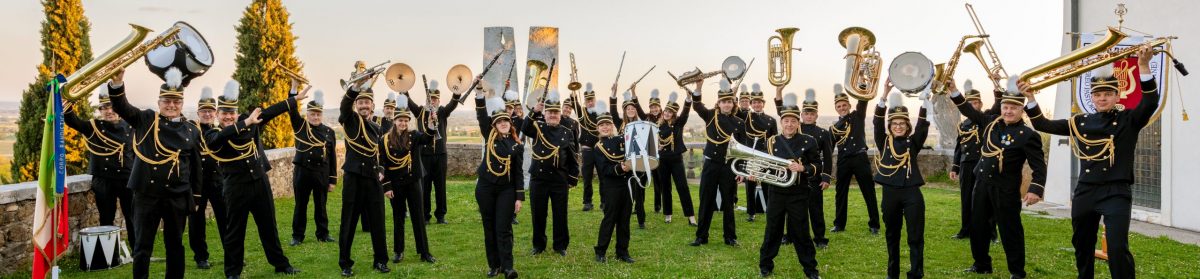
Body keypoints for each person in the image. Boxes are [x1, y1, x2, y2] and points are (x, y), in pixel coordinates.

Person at [1022, 47, 1157, 279]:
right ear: (1091, 97)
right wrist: (1031, 98)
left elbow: (1150, 102)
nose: (1102, 98)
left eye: (1107, 94)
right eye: (1097, 94)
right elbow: (1043, 124)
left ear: (1117, 96)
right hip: (1086, 190)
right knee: (1082, 245)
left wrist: (1143, 66)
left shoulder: (1128, 119)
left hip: (1116, 191)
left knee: (1117, 247)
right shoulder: (1080, 122)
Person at [107, 68, 205, 279]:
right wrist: (117, 85)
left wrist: (195, 197)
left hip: (177, 196)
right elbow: (122, 107)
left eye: (176, 101)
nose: (171, 105)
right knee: (142, 246)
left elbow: (197, 167)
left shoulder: (191, 130)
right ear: (159, 102)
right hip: (147, 195)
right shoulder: (146, 120)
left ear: (182, 103)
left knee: (175, 245)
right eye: (167, 101)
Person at [948, 78, 1047, 279]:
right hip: (982, 184)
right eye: (1005, 106)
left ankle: (1017, 272)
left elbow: (1039, 165)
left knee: (1010, 230)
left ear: (1022, 110)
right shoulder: (990, 123)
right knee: (978, 226)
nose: (1008, 111)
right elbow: (970, 111)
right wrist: (954, 90)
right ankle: (982, 264)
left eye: (1014, 107)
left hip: (1006, 189)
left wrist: (1035, 189)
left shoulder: (1027, 135)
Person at [205, 80, 303, 278]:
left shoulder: (248, 121)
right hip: (235, 186)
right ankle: (233, 272)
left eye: (231, 113)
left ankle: (280, 264)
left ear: (236, 112)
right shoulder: (212, 133)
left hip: (259, 182)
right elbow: (217, 140)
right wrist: (245, 122)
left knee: (269, 227)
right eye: (224, 113)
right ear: (217, 115)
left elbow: (269, 112)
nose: (228, 116)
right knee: (235, 231)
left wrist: (293, 99)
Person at [755, 93, 823, 279]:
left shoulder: (809, 141)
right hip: (776, 192)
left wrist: (803, 167)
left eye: (793, 121)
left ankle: (810, 269)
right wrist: (756, 174)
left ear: (798, 121)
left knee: (801, 232)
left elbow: (818, 166)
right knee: (772, 230)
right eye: (786, 121)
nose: (789, 124)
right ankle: (765, 265)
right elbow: (765, 165)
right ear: (782, 122)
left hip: (798, 193)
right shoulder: (771, 141)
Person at [62, 88, 137, 252]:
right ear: (100, 110)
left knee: (132, 217)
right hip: (103, 179)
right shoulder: (93, 126)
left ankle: (138, 251)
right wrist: (67, 103)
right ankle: (108, 253)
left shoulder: (132, 127)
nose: (109, 111)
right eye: (104, 108)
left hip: (127, 178)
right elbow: (73, 121)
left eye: (111, 106)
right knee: (106, 218)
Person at [873, 85, 931, 279]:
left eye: (902, 123)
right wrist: (883, 96)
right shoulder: (883, 141)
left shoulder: (912, 143)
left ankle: (916, 273)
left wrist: (925, 101)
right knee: (892, 235)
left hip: (912, 193)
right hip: (890, 193)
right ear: (890, 126)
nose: (898, 126)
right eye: (894, 123)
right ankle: (893, 274)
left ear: (907, 126)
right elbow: (876, 122)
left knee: (915, 236)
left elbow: (923, 126)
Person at [338, 83, 391, 276]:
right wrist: (354, 88)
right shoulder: (350, 120)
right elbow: (344, 106)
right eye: (360, 102)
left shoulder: (377, 128)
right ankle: (345, 263)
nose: (363, 106)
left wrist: (381, 169)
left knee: (378, 222)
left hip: (372, 179)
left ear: (372, 105)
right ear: (356, 104)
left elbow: (381, 153)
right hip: (353, 178)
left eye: (367, 102)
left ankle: (380, 261)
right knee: (349, 221)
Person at [380, 94, 437, 264]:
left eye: (406, 120)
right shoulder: (384, 140)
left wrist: (431, 126)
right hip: (395, 184)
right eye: (400, 120)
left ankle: (424, 252)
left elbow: (427, 138)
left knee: (418, 217)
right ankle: (398, 251)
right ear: (394, 121)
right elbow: (382, 163)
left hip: (413, 181)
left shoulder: (414, 135)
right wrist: (387, 186)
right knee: (398, 217)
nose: (403, 123)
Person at [689, 79, 745, 247]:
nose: (726, 104)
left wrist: (740, 170)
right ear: (719, 103)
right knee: (706, 200)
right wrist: (698, 87)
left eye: (729, 101)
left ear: (733, 103)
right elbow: (697, 105)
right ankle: (701, 237)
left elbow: (742, 149)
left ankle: (730, 237)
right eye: (723, 101)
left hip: (729, 166)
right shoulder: (710, 115)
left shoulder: (739, 123)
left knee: (729, 202)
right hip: (711, 164)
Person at [475, 91, 525, 279]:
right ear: (494, 125)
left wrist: (519, 197)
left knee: (503, 228)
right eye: (499, 121)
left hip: (506, 189)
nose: (503, 123)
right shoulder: (489, 136)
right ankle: (494, 265)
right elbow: (481, 116)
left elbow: (518, 173)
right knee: (489, 227)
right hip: (486, 188)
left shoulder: (516, 145)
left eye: (506, 121)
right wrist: (480, 94)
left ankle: (508, 267)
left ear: (510, 124)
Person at [522, 91, 579, 256]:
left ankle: (560, 246)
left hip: (559, 179)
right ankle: (538, 245)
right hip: (538, 179)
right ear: (545, 114)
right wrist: (534, 111)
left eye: (556, 112)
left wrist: (572, 179)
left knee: (560, 214)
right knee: (538, 214)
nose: (553, 115)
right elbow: (524, 128)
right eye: (550, 112)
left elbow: (573, 158)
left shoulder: (567, 132)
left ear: (560, 114)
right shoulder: (537, 127)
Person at [286, 81, 337, 246]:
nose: (315, 117)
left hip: (321, 172)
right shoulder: (300, 126)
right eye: (312, 114)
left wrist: (332, 179)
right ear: (307, 114)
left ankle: (323, 233)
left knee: (321, 206)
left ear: (322, 114)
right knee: (300, 205)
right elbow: (292, 109)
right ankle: (297, 236)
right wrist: (294, 89)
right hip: (302, 172)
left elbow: (332, 157)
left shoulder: (329, 132)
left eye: (318, 114)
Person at [949, 80, 1001, 240]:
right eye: (969, 103)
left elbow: (998, 107)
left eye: (975, 102)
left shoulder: (986, 117)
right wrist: (955, 167)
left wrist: (997, 86)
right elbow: (959, 147)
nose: (972, 105)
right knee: (966, 198)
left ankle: (991, 232)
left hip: (982, 163)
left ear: (980, 103)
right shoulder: (963, 125)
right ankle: (966, 229)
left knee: (986, 199)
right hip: (966, 164)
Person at [407, 80, 462, 225]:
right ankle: (425, 215)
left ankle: (441, 215)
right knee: (424, 186)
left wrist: (457, 93)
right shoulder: (420, 111)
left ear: (438, 100)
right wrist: (404, 90)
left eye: (435, 99)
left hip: (440, 154)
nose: (433, 100)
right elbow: (409, 102)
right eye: (431, 98)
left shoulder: (442, 111)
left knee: (440, 186)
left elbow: (453, 104)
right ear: (427, 99)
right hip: (424, 154)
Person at [828, 83, 881, 234]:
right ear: (836, 108)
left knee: (868, 191)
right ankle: (839, 224)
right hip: (844, 160)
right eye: (839, 106)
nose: (842, 108)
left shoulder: (857, 116)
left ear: (849, 105)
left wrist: (863, 84)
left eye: (844, 105)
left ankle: (874, 225)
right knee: (841, 193)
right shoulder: (834, 128)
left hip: (860, 158)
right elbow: (829, 148)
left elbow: (863, 101)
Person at [182, 88, 225, 270]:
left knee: (226, 220)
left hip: (218, 181)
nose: (207, 114)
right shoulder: (191, 130)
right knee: (196, 222)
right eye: (204, 111)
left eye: (210, 111)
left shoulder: (221, 130)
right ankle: (201, 257)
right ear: (198, 112)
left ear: (215, 113)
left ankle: (231, 253)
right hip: (196, 184)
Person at [591, 101, 636, 264]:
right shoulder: (598, 147)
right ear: (598, 128)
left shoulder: (621, 139)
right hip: (611, 187)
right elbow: (604, 169)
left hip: (627, 185)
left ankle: (622, 252)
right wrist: (620, 167)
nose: (605, 127)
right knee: (609, 219)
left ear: (612, 126)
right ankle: (601, 251)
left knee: (624, 220)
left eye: (608, 124)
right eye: (602, 125)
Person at [792, 89, 834, 248]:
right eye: (806, 113)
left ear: (816, 115)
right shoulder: (795, 130)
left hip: (814, 176)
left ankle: (820, 238)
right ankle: (791, 235)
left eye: (812, 113)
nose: (809, 116)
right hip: (796, 175)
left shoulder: (823, 133)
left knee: (816, 209)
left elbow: (828, 157)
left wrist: (826, 177)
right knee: (793, 208)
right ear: (801, 115)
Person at [655, 92, 696, 225]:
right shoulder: (658, 126)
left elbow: (685, 112)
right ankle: (667, 214)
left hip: (676, 159)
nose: (667, 113)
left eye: (670, 112)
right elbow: (652, 141)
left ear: (674, 114)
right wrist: (657, 147)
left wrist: (688, 99)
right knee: (666, 187)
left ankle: (690, 216)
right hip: (663, 160)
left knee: (682, 187)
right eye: (666, 110)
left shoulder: (678, 124)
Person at [610, 86, 648, 228]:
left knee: (639, 193)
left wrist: (634, 94)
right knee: (626, 192)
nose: (631, 110)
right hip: (625, 163)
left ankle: (641, 220)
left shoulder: (642, 123)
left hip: (638, 162)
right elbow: (613, 111)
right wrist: (613, 95)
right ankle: (622, 218)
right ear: (625, 111)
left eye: (633, 108)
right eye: (628, 109)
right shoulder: (620, 124)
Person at [739, 84, 778, 222]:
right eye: (754, 102)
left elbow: (775, 140)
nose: (757, 104)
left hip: (765, 154)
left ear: (763, 104)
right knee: (750, 184)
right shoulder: (745, 117)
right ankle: (751, 213)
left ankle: (770, 210)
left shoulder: (771, 120)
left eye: (759, 102)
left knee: (767, 184)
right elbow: (734, 110)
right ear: (751, 104)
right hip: (752, 154)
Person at [573, 84, 602, 211]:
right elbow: (576, 105)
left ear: (595, 100)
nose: (590, 102)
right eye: (587, 101)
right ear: (585, 102)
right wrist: (573, 93)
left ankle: (604, 202)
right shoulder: (582, 113)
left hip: (600, 149)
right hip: (587, 149)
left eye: (592, 100)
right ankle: (587, 202)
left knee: (603, 176)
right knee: (587, 177)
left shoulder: (601, 113)